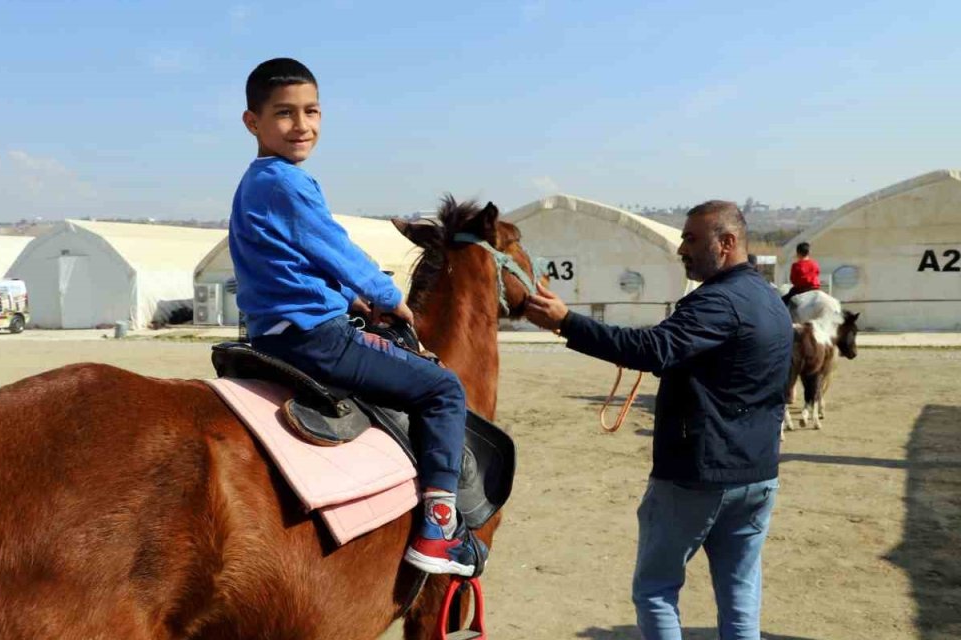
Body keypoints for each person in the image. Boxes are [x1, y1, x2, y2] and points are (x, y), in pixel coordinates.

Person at [227, 58, 485, 576]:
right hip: (316, 337)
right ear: (252, 122)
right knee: (443, 389)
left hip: (273, 334)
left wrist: (350, 298)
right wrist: (386, 295)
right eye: (284, 113)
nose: (301, 125)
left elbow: (298, 261)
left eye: (311, 111)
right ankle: (438, 532)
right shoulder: (285, 182)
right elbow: (333, 247)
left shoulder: (257, 183)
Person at [525, 201, 792, 639]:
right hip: (758, 472)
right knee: (741, 591)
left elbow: (652, 349)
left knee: (655, 589)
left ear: (726, 243)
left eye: (691, 239)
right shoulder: (769, 300)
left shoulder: (718, 301)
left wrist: (567, 322)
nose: (681, 249)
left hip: (699, 474)